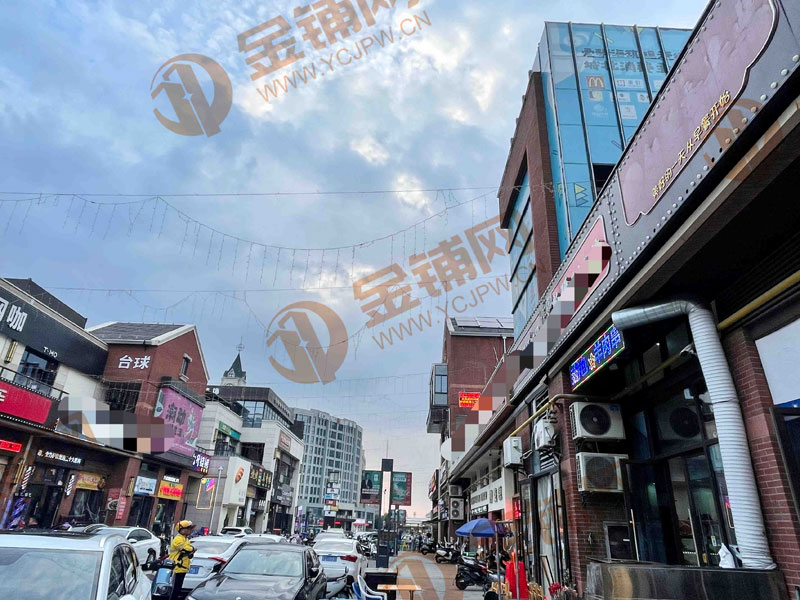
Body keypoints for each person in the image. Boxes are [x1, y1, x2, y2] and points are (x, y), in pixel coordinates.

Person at [168, 520, 196, 600]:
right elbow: (186, 548)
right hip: (176, 568)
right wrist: (192, 549)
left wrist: (192, 549)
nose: (190, 530)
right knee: (174, 590)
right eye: (188, 528)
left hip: (182, 568)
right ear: (182, 530)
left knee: (177, 589)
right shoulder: (178, 539)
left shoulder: (185, 539)